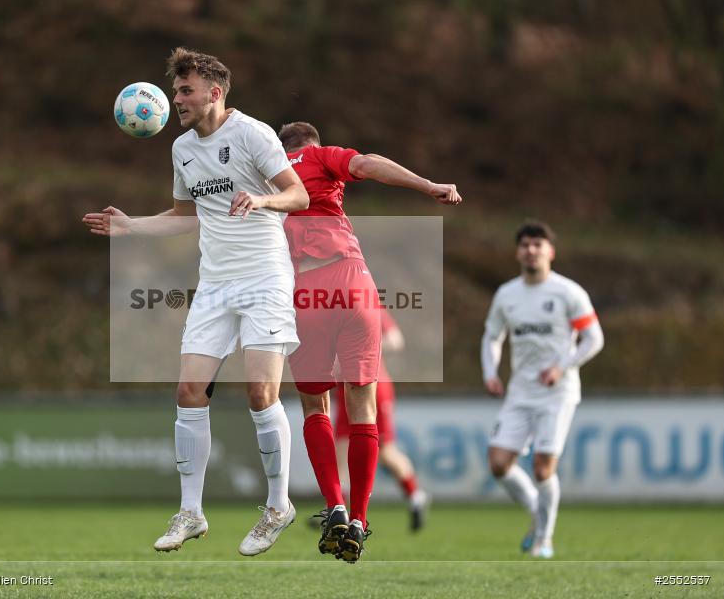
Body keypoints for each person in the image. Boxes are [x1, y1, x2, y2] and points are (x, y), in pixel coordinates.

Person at [83, 48, 309, 556]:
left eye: (186, 91)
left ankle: (278, 506)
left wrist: (263, 199)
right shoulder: (182, 148)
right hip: (215, 285)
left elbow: (299, 196)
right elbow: (185, 215)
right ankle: (191, 512)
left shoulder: (253, 134)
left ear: (215, 92)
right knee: (188, 391)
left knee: (260, 393)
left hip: (265, 278)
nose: (177, 99)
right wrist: (131, 226)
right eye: (175, 91)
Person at [277, 121, 460, 562]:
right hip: (353, 282)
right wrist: (428, 185)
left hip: (304, 290)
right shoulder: (322, 157)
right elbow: (367, 164)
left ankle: (334, 507)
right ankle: (359, 519)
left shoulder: (269, 172)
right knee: (364, 411)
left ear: (281, 148)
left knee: (315, 408)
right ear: (313, 143)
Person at [481, 221, 604, 558]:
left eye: (538, 245)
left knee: (542, 469)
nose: (531, 250)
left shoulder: (568, 292)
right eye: (525, 245)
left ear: (551, 252)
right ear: (517, 252)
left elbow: (594, 338)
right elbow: (492, 336)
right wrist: (490, 372)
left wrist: (562, 367)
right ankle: (539, 511)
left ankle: (543, 540)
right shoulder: (507, 294)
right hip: (520, 392)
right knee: (498, 463)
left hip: (557, 392)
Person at [333, 310, 429, 532]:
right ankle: (338, 512)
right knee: (340, 451)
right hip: (344, 389)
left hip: (372, 386)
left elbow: (395, 340)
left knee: (385, 451)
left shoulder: (369, 307)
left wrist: (359, 352)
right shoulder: (329, 311)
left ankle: (415, 495)